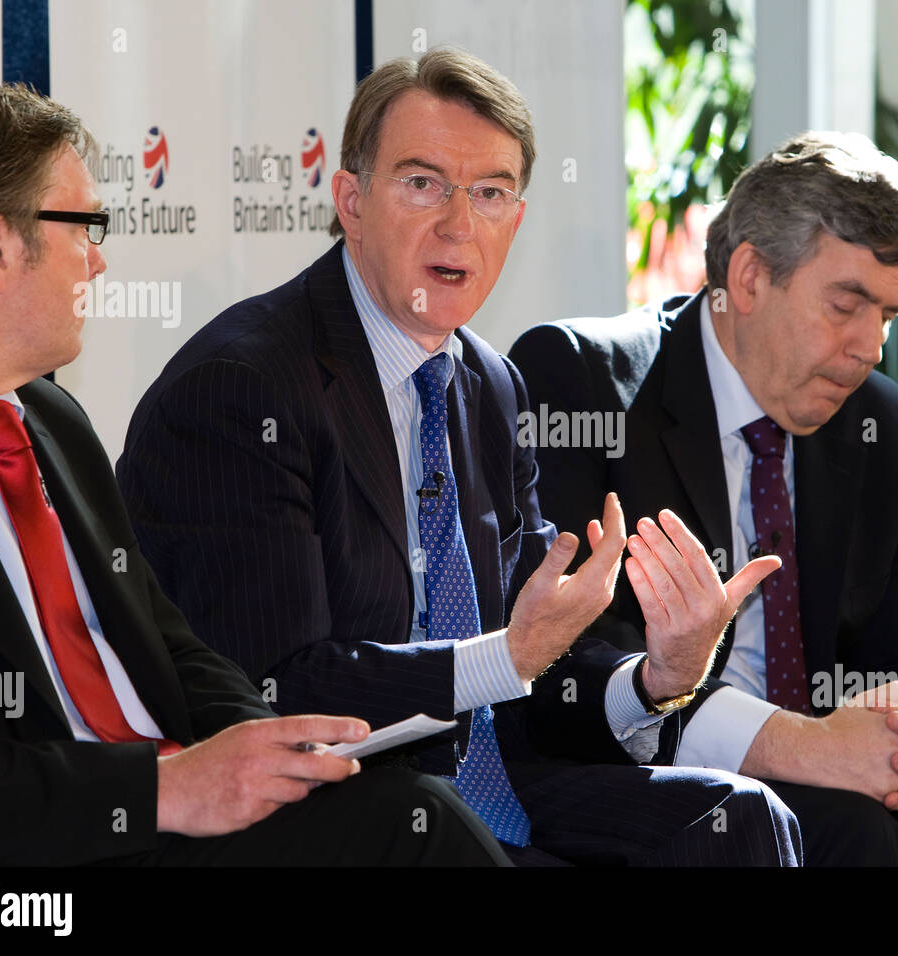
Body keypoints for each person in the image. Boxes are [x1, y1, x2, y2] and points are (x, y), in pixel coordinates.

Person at [117, 48, 799, 866]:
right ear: (351, 201)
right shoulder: (244, 387)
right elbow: (272, 689)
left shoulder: (490, 384)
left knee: (740, 819)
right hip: (343, 815)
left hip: (497, 794)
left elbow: (540, 662)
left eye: (489, 193)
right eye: (422, 183)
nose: (457, 224)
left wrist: (660, 674)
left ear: (516, 217)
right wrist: (503, 656)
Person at [511, 131, 898, 865]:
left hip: (839, 778)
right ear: (748, 276)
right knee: (851, 831)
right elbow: (571, 667)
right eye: (848, 305)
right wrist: (806, 747)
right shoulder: (584, 381)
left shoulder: (888, 426)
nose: (872, 346)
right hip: (650, 773)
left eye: (888, 316)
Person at [0, 80, 507, 866]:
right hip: (44, 860)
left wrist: (265, 747)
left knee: (407, 817)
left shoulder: (51, 423)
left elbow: (171, 646)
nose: (98, 259)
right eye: (84, 226)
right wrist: (162, 793)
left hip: (177, 813)